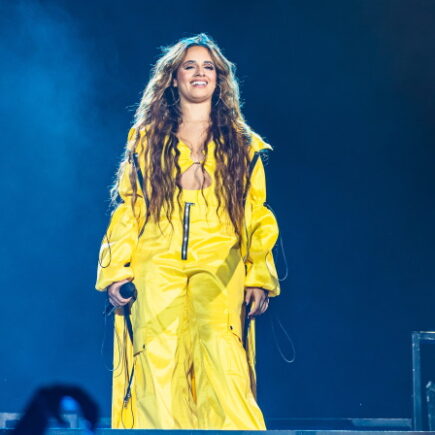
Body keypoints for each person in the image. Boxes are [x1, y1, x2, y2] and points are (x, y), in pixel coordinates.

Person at [95, 33, 280, 430]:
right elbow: (130, 206)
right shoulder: (147, 139)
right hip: (156, 257)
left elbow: (255, 211)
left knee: (222, 353)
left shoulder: (242, 143)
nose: (200, 73)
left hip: (220, 259)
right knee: (156, 357)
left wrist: (258, 275)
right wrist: (116, 269)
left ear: (220, 78)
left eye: (208, 66)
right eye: (190, 66)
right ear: (174, 78)